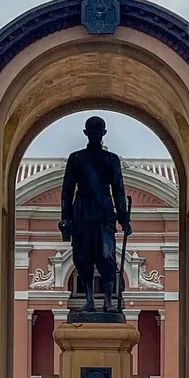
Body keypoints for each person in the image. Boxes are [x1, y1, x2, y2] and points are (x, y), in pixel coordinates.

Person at [59, 116, 131, 315]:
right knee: (83, 257)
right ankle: (90, 300)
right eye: (91, 130)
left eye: (98, 130)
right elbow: (67, 190)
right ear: (86, 133)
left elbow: (118, 190)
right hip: (81, 211)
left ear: (103, 133)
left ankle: (108, 301)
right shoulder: (76, 158)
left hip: (104, 214)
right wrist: (66, 218)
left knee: (107, 256)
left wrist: (123, 219)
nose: (95, 134)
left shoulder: (111, 160)